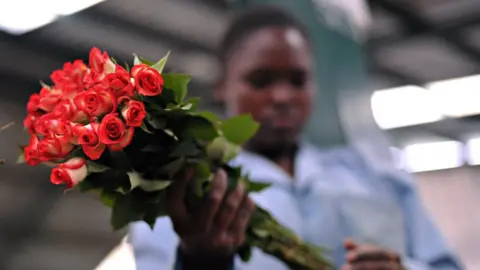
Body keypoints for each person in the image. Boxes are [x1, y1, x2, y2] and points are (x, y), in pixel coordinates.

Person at [129, 5, 462, 270]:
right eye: (261, 80)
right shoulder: (188, 196)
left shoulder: (379, 178)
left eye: (298, 80)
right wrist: (199, 262)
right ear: (222, 86)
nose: (283, 97)